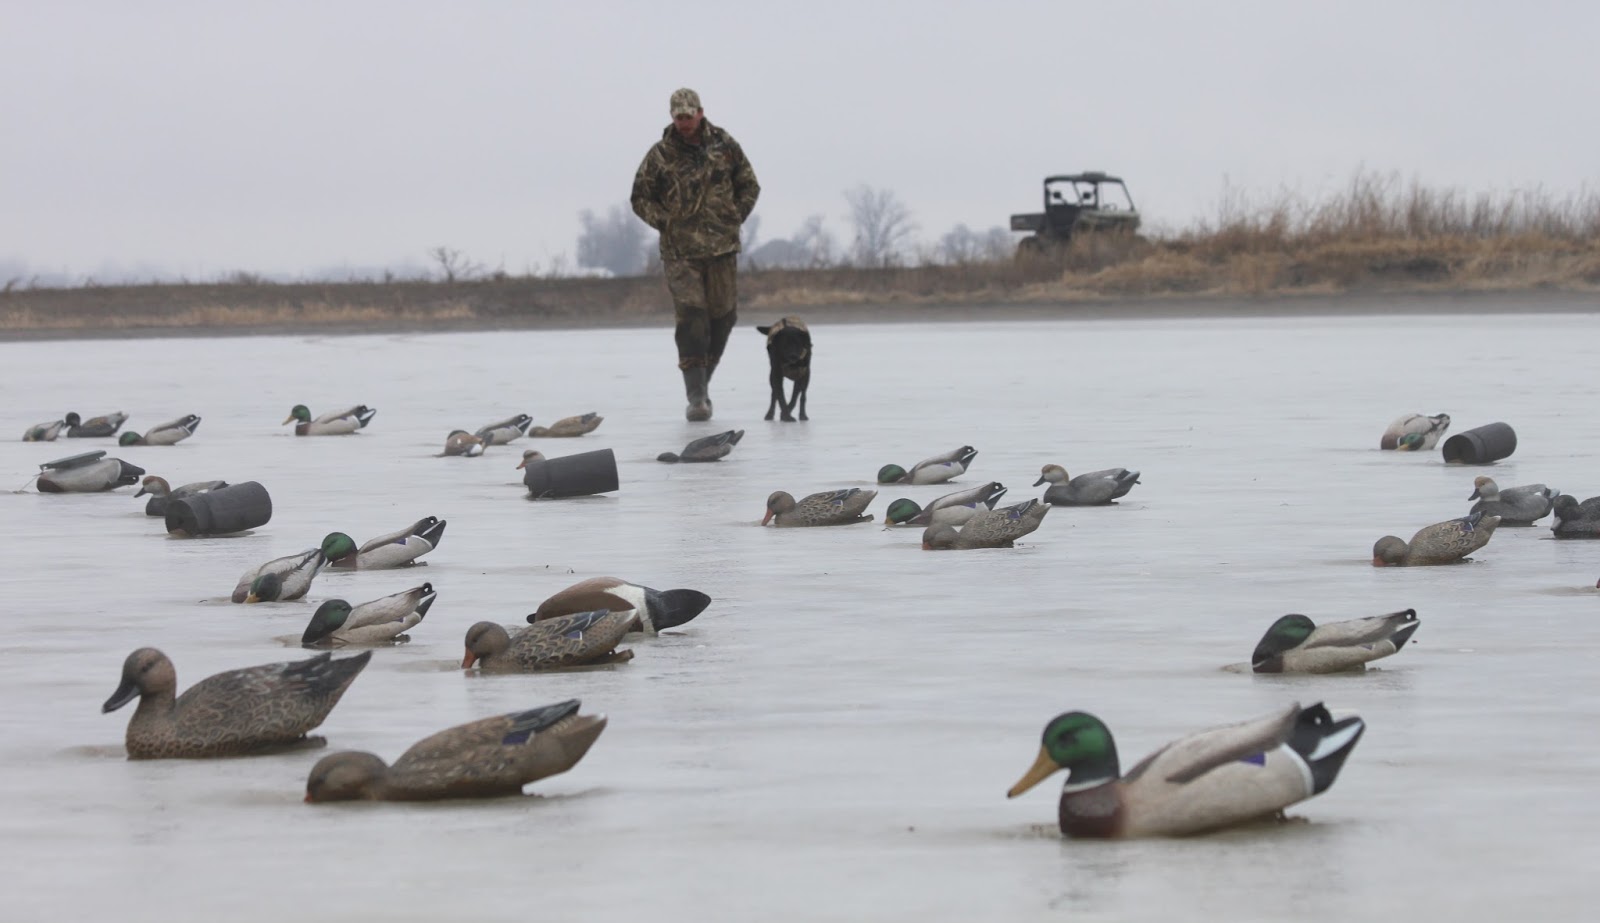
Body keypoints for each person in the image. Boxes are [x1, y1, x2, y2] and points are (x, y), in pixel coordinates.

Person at [631, 88, 760, 421]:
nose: (685, 122)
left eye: (689, 116)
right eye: (679, 117)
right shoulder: (660, 155)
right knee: (692, 317)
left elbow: (749, 185)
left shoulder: (724, 146)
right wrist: (665, 223)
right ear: (672, 117)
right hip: (680, 252)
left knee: (724, 317)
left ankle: (703, 382)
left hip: (722, 248)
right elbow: (640, 197)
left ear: (700, 113)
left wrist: (733, 216)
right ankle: (697, 397)